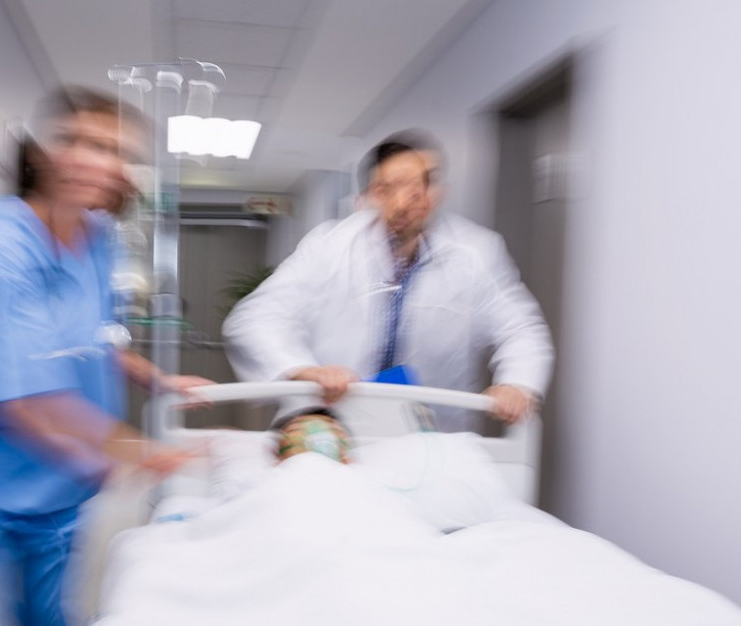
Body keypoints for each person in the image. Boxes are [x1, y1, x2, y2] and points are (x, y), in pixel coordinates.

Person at [0, 86, 208, 626]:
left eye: (111, 149)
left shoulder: (98, 237)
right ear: (43, 152)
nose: (92, 160)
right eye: (76, 141)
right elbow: (22, 399)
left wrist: (158, 378)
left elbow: (95, 336)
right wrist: (138, 451)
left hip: (56, 486)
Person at [222, 131, 553, 429]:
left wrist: (517, 384)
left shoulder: (476, 253)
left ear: (437, 191)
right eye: (391, 187)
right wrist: (303, 369)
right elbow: (255, 319)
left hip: (430, 434)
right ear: (371, 195)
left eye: (420, 184)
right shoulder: (329, 247)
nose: (407, 198)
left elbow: (520, 328)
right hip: (332, 427)